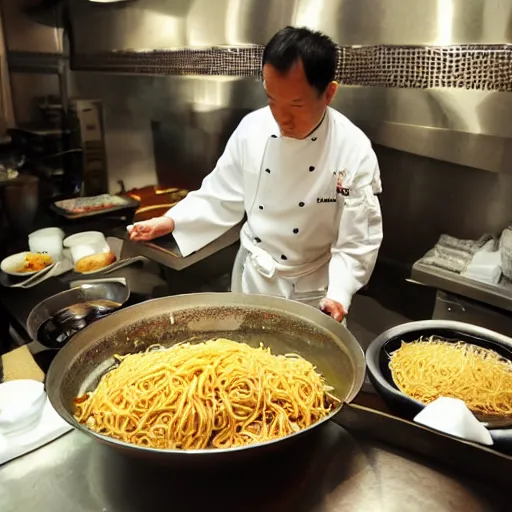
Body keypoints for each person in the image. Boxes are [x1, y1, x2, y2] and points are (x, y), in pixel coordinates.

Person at [128, 26, 383, 322]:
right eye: (272, 99)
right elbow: (220, 194)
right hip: (253, 282)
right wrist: (171, 221)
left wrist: (340, 293)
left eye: (296, 105)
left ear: (329, 93)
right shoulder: (252, 129)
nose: (280, 116)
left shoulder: (352, 149)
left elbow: (358, 240)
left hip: (314, 293)